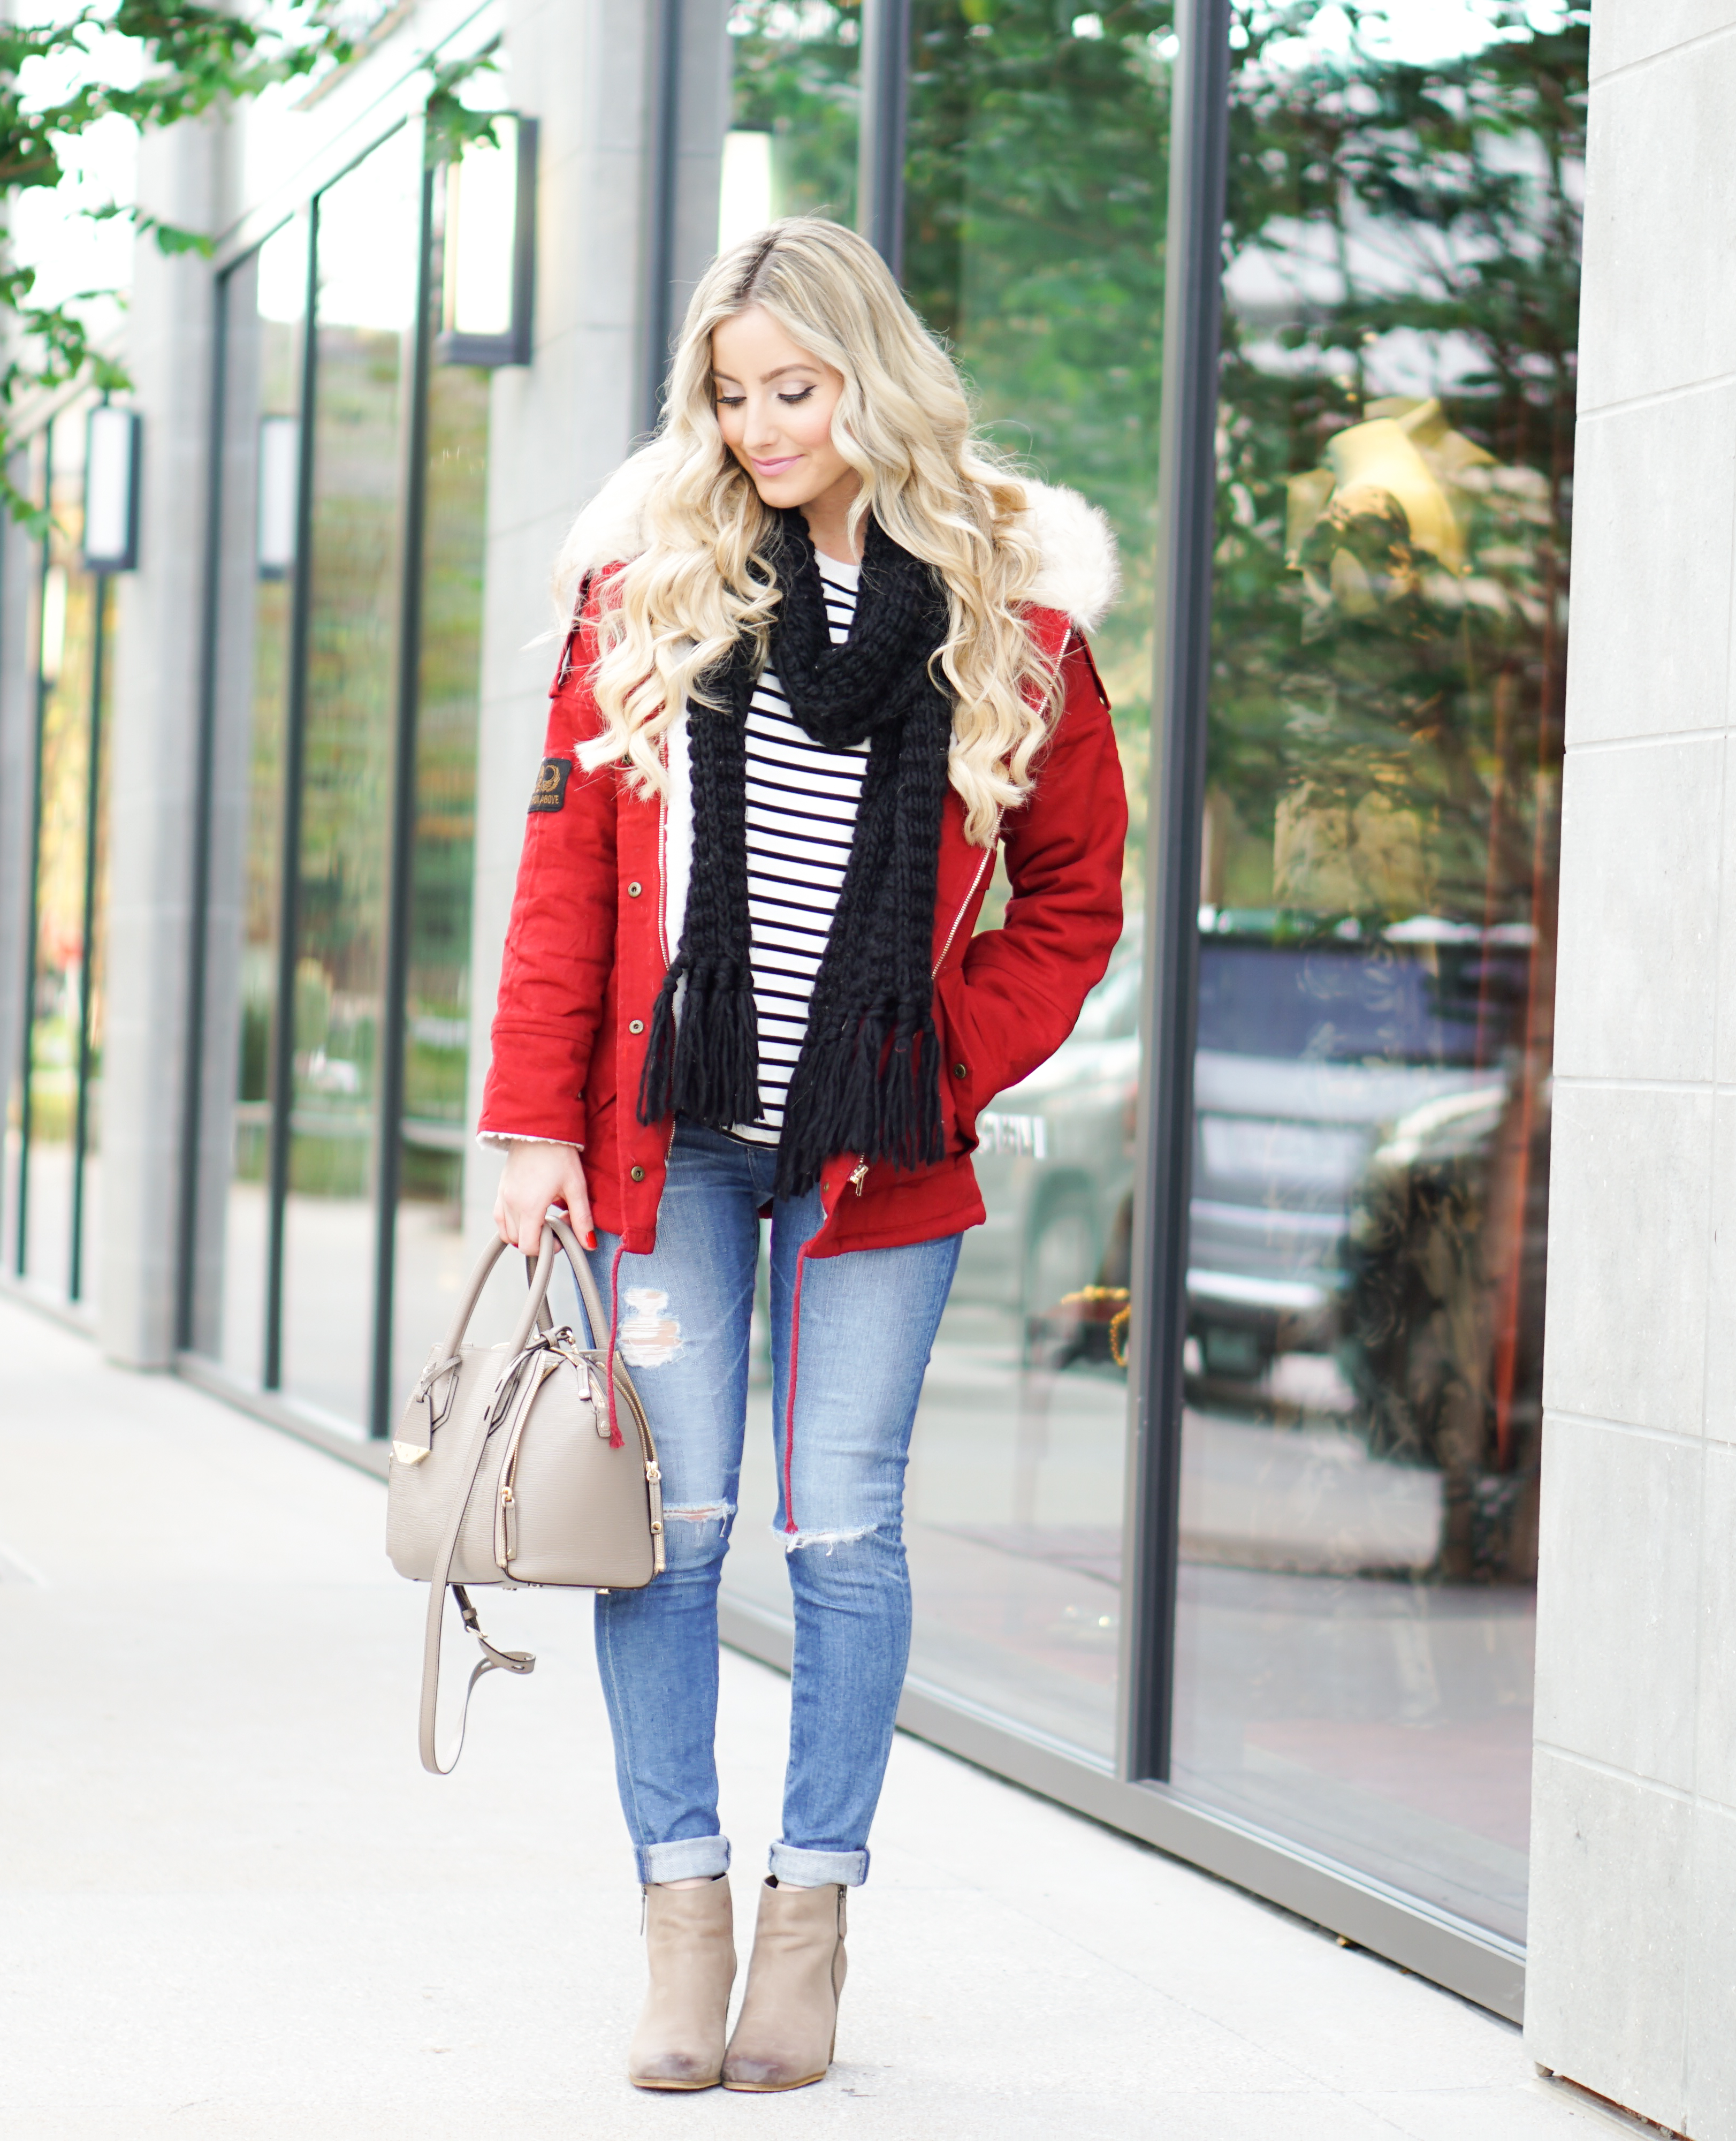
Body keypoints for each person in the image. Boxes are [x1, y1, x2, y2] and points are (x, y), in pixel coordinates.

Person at [477, 216, 1125, 2093]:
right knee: (665, 1538)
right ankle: (681, 1915)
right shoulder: (650, 591)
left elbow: (1073, 898)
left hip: (877, 1159)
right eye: (732, 395)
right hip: (665, 1138)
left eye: (797, 389)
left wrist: (940, 1061)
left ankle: (808, 1922)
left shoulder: (1013, 620)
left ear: (874, 381)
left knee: (840, 1533)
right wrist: (529, 1125)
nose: (762, 427)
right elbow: (560, 889)